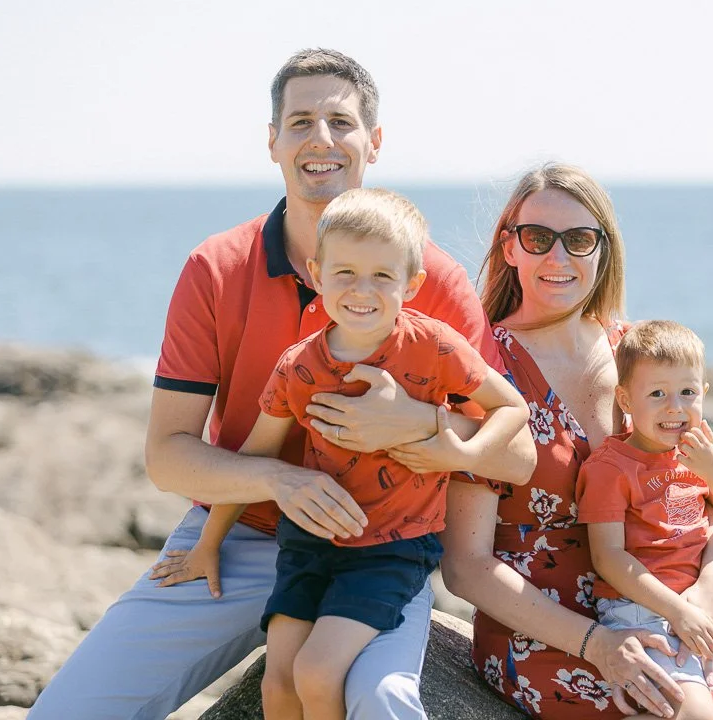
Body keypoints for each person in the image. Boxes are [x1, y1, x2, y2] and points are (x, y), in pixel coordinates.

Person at [29, 49, 535, 720]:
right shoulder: (215, 268)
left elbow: (516, 454)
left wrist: (420, 424)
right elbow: (167, 455)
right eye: (300, 121)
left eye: (341, 121)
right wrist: (278, 481)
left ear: (373, 143)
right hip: (238, 536)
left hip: (376, 545)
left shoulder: (429, 279)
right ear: (273, 142)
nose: (320, 139)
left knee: (385, 704)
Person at [408, 163, 713, 719]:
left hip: (660, 616)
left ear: (603, 251)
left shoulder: (638, 356)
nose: (558, 257)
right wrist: (597, 644)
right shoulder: (484, 373)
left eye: (580, 239)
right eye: (538, 238)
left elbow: (705, 489)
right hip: (548, 639)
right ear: (510, 248)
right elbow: (465, 566)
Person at [149, 188, 531, 720]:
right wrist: (208, 544)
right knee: (279, 684)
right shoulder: (298, 366)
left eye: (382, 275)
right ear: (317, 272)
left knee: (317, 672)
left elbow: (512, 407)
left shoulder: (434, 346)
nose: (361, 290)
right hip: (309, 543)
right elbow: (254, 458)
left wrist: (457, 451)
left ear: (412, 284)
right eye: (345, 272)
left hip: (392, 547)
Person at [578, 319, 713, 720]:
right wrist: (676, 612)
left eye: (688, 392)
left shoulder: (700, 452)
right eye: (657, 394)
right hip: (641, 612)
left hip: (699, 617)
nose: (675, 408)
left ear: (703, 392)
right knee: (697, 715)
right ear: (626, 400)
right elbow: (609, 557)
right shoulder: (610, 468)